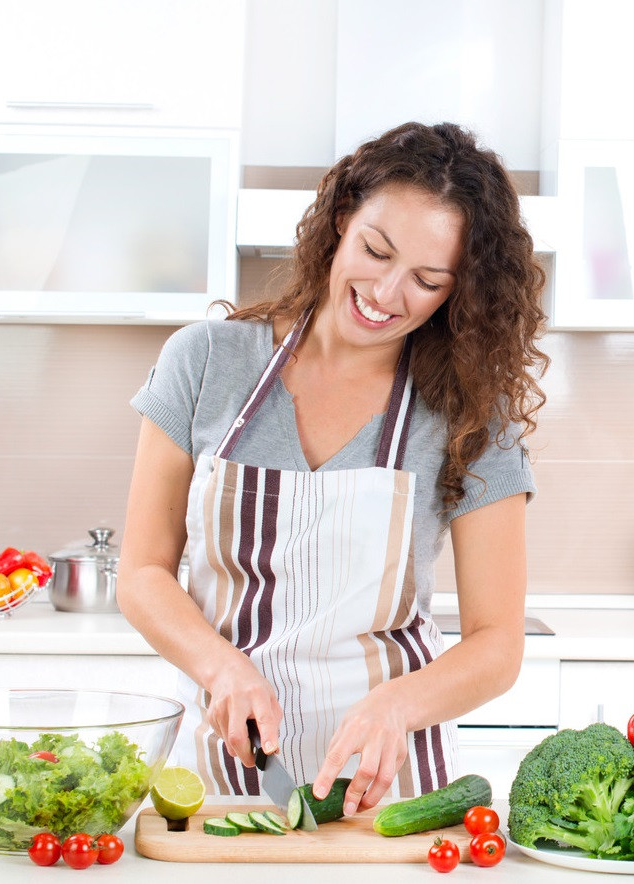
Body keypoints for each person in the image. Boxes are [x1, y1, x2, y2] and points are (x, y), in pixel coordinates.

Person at [118, 121, 549, 817]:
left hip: (391, 796)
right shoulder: (204, 362)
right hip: (223, 777)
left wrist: (396, 707)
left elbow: (497, 643)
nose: (385, 293)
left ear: (457, 292)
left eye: (427, 280)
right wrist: (222, 666)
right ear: (342, 219)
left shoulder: (468, 413)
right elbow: (141, 574)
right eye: (376, 251)